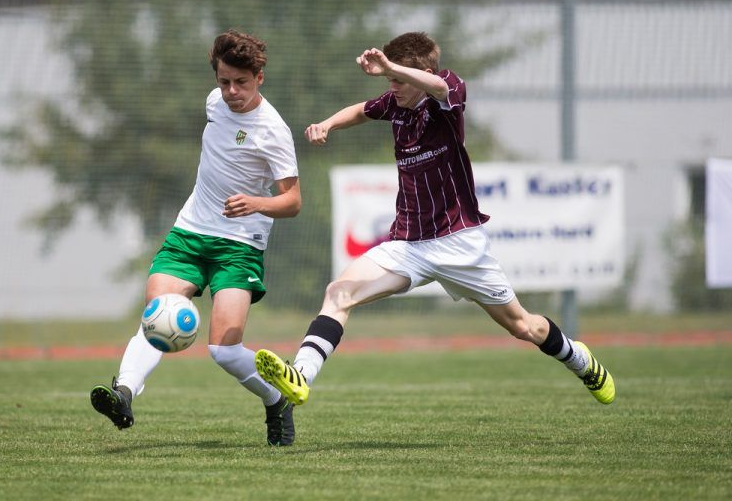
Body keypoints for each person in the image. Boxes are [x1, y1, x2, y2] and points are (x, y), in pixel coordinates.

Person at [255, 31, 615, 409]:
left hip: (459, 243)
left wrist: (392, 68)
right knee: (338, 293)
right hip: (408, 245)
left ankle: (580, 359)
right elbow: (363, 109)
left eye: (398, 79)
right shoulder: (396, 103)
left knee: (525, 326)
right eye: (389, 80)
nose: (392, 86)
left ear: (422, 73)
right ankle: (300, 375)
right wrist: (327, 124)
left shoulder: (447, 97)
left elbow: (439, 87)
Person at [90, 29, 302, 446]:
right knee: (156, 315)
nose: (230, 91)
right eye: (224, 81)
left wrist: (256, 203)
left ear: (260, 77)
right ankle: (124, 393)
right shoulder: (214, 102)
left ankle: (277, 399)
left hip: (239, 245)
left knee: (223, 350)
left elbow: (293, 201)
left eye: (240, 82)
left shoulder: (273, 131)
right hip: (190, 231)